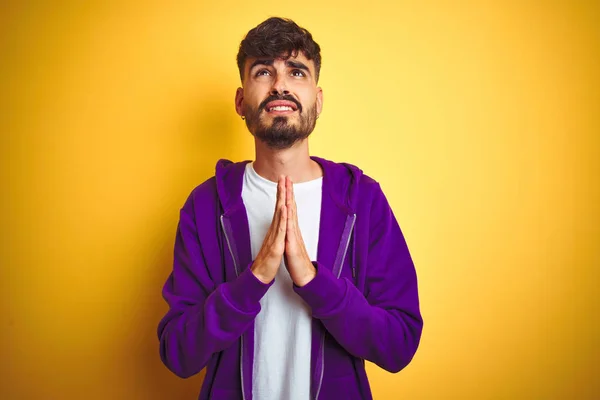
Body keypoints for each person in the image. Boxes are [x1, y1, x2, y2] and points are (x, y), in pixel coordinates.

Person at [157, 16, 423, 400]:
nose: (280, 84)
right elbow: (178, 354)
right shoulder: (205, 205)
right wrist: (253, 279)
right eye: (263, 71)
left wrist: (315, 283)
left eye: (296, 71)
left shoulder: (362, 200)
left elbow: (399, 344)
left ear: (318, 98)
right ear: (240, 100)